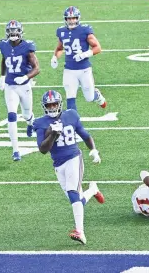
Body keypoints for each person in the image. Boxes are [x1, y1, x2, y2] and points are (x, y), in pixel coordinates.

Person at [33, 90, 105, 245]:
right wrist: (52, 134)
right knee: (76, 200)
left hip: (74, 158)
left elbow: (85, 135)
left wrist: (93, 150)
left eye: (54, 104)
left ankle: (80, 232)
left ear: (60, 104)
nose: (52, 107)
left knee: (73, 193)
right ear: (44, 106)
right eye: (49, 105)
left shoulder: (71, 115)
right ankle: (93, 189)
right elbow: (42, 149)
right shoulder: (40, 123)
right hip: (58, 164)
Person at [0, 20, 40, 161]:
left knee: (27, 114)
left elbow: (37, 68)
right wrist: (2, 77)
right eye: (11, 31)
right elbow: (4, 59)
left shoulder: (27, 47)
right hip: (10, 86)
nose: (13, 33)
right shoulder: (3, 45)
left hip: (24, 86)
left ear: (21, 32)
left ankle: (29, 123)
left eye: (16, 31)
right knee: (11, 114)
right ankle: (16, 150)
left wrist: (25, 77)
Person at [50, 6, 106, 111]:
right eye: (69, 18)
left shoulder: (84, 30)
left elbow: (98, 48)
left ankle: (96, 95)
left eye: (74, 18)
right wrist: (55, 57)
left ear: (78, 18)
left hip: (84, 69)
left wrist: (84, 54)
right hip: (69, 70)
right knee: (70, 98)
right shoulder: (61, 31)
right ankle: (73, 124)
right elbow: (59, 48)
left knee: (89, 98)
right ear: (65, 19)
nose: (71, 21)